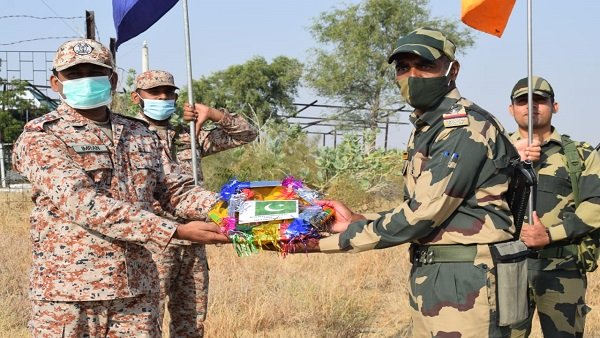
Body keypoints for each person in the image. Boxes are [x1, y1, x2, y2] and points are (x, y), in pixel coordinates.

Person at [298, 27, 522, 337]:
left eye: (425, 65)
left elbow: (424, 214)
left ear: (452, 70)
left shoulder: (462, 127)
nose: (412, 75)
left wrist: (319, 242)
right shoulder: (430, 126)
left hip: (466, 279)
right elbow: (422, 207)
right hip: (438, 274)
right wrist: (360, 219)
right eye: (403, 67)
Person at [11, 38, 230, 337]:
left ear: (112, 80)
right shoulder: (41, 138)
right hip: (69, 295)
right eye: (75, 74)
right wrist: (173, 231)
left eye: (95, 73)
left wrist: (232, 210)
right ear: (55, 82)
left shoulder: (139, 133)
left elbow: (175, 190)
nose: (86, 80)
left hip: (136, 290)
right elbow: (83, 202)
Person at [131, 69, 258, 337]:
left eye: (169, 93)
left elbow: (247, 134)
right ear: (136, 98)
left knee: (192, 321)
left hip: (195, 240)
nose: (163, 97)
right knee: (144, 321)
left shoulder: (189, 134)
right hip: (154, 242)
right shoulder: (130, 138)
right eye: (155, 93)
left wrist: (212, 114)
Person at [507, 76, 600, 337]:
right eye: (522, 100)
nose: (531, 106)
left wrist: (549, 235)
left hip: (562, 268)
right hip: (506, 268)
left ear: (554, 106)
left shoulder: (581, 154)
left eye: (540, 100)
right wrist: (511, 159)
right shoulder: (494, 151)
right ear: (511, 109)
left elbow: (596, 204)